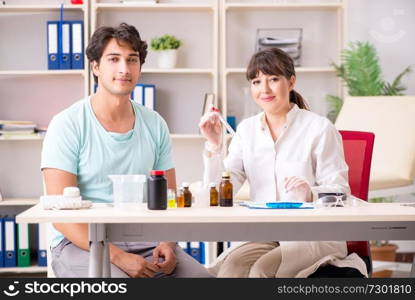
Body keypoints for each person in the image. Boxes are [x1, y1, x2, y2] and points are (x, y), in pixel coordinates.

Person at [41, 23, 212, 278]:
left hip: (146, 241)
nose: (124, 69)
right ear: (96, 67)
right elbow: (61, 216)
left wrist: (167, 242)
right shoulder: (67, 124)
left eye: (132, 60)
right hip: (80, 244)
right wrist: (120, 258)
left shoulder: (154, 124)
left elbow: (170, 198)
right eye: (114, 59)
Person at [199, 48, 368, 278]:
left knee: (261, 271)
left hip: (312, 234)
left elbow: (341, 192)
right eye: (257, 81)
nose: (264, 89)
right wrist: (213, 144)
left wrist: (309, 193)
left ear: (291, 82)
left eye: (273, 79)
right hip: (266, 233)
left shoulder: (319, 128)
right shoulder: (246, 130)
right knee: (231, 269)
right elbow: (220, 193)